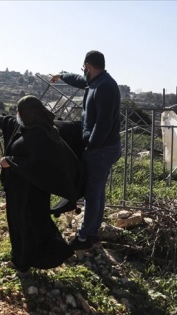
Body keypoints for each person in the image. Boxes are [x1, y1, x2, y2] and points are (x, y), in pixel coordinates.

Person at [0, 95, 78, 276]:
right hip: (19, 190)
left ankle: (25, 264)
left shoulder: (42, 134)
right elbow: (6, 121)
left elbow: (40, 163)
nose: (16, 114)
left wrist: (11, 161)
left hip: (30, 193)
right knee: (22, 224)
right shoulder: (25, 126)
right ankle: (22, 259)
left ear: (26, 114)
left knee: (27, 226)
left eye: (19, 112)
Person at [49, 50, 122, 250]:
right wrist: (62, 74)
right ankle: (92, 231)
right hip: (103, 147)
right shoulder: (96, 81)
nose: (83, 72)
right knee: (96, 192)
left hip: (101, 149)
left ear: (89, 66)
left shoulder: (105, 86)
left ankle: (85, 237)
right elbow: (80, 80)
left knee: (92, 194)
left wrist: (90, 143)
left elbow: (104, 122)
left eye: (84, 68)